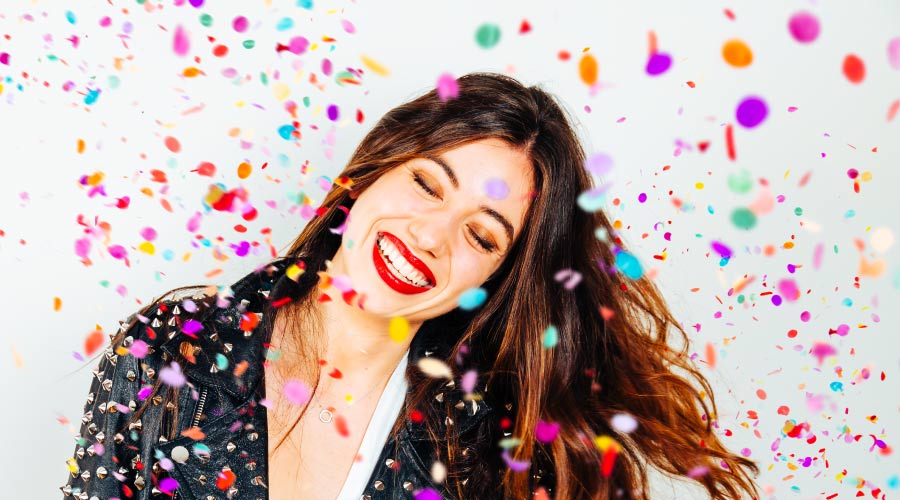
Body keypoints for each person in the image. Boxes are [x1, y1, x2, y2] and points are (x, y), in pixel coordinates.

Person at [61, 72, 759, 500]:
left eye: (482, 235)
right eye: (427, 183)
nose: (430, 236)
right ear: (373, 169)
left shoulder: (490, 459)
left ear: (493, 280)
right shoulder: (166, 355)